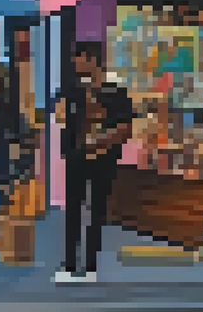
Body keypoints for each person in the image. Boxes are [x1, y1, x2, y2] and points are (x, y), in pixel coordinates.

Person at [56, 39, 135, 284]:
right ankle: (70, 264)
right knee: (73, 211)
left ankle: (90, 266)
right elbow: (61, 117)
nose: (74, 63)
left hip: (103, 160)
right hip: (76, 157)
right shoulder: (71, 90)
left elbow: (125, 127)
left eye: (78, 58)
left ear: (92, 60)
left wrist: (103, 141)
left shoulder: (116, 92)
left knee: (97, 212)